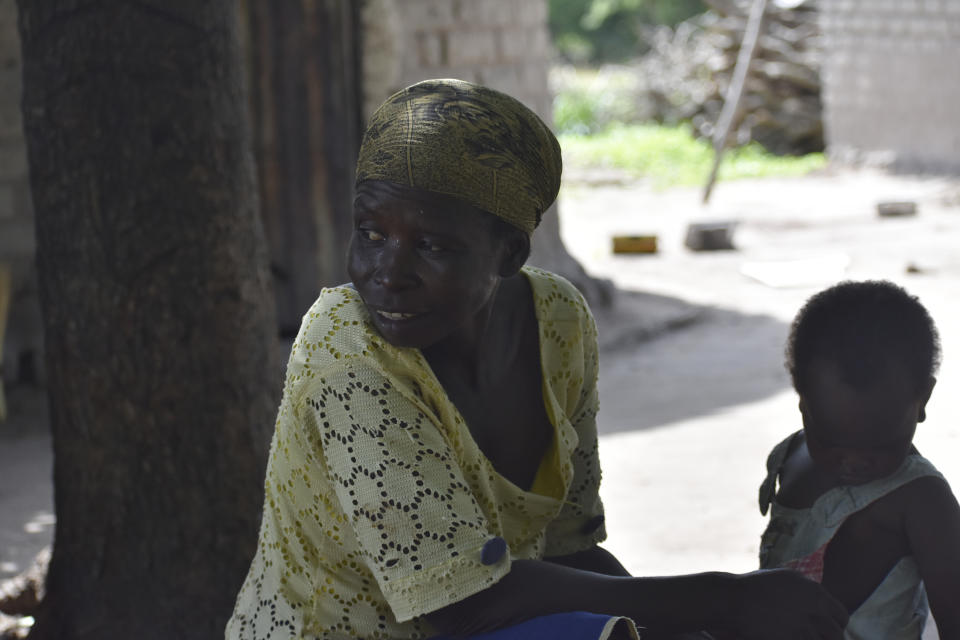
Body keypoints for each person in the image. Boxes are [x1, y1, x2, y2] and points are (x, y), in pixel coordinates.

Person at [226, 78, 848, 640]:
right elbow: (459, 603)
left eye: (432, 245)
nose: (388, 273)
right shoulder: (345, 346)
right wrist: (722, 600)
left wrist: (696, 623)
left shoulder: (558, 321)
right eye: (371, 233)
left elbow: (568, 552)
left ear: (508, 254)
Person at [758, 280, 960, 639]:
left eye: (881, 445)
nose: (854, 461)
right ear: (802, 402)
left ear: (923, 399)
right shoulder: (790, 458)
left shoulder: (921, 499)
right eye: (831, 441)